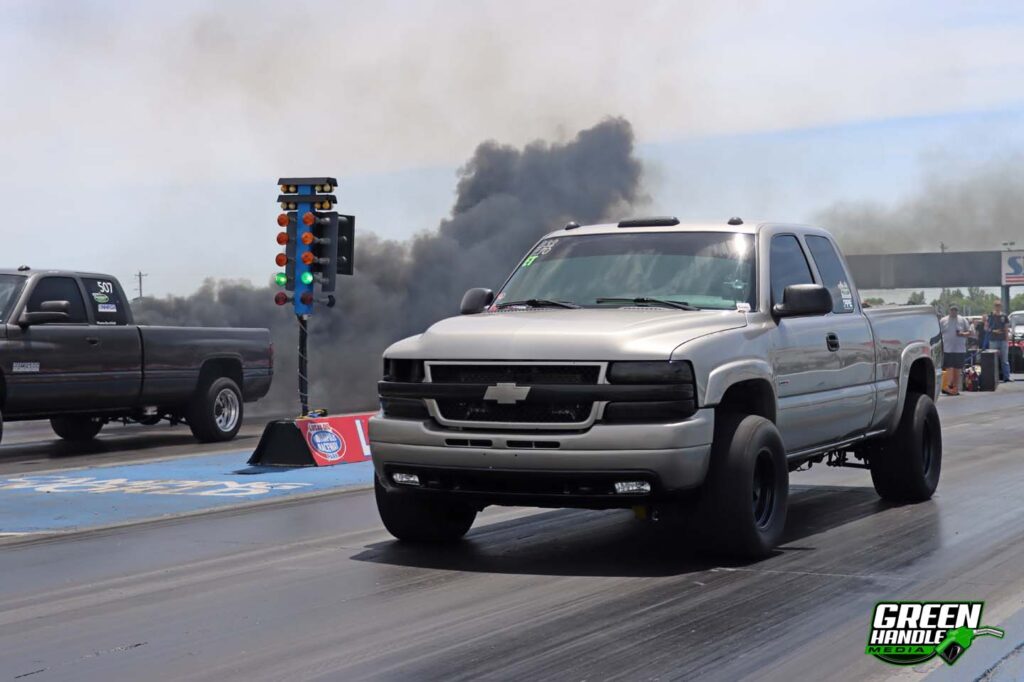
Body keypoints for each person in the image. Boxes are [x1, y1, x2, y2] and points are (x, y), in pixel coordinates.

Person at [940, 305, 971, 395]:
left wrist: (962, 334)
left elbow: (970, 332)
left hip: (959, 349)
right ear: (949, 310)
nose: (954, 312)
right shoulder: (943, 320)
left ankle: (955, 388)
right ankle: (949, 386)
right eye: (952, 310)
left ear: (957, 311)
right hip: (947, 348)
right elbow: (939, 334)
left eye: (955, 310)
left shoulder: (962, 320)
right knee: (949, 367)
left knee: (957, 369)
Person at [986, 300, 1012, 382]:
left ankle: (1006, 377)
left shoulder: (1004, 316)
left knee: (1005, 360)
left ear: (1001, 306)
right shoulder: (990, 315)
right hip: (993, 340)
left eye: (999, 305)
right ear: (994, 306)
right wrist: (994, 331)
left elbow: (1006, 328)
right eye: (996, 305)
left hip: (1003, 340)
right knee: (993, 360)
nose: (998, 307)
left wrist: (1007, 339)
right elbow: (986, 328)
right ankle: (993, 378)